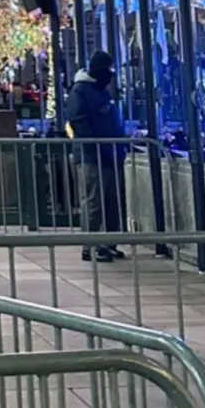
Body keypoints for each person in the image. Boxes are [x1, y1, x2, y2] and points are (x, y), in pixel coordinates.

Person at [66, 50, 127, 262]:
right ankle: (91, 245)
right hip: (92, 155)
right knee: (93, 201)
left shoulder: (100, 90)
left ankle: (108, 243)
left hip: (109, 153)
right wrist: (97, 144)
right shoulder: (81, 91)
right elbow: (78, 121)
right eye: (107, 71)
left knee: (112, 201)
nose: (110, 76)